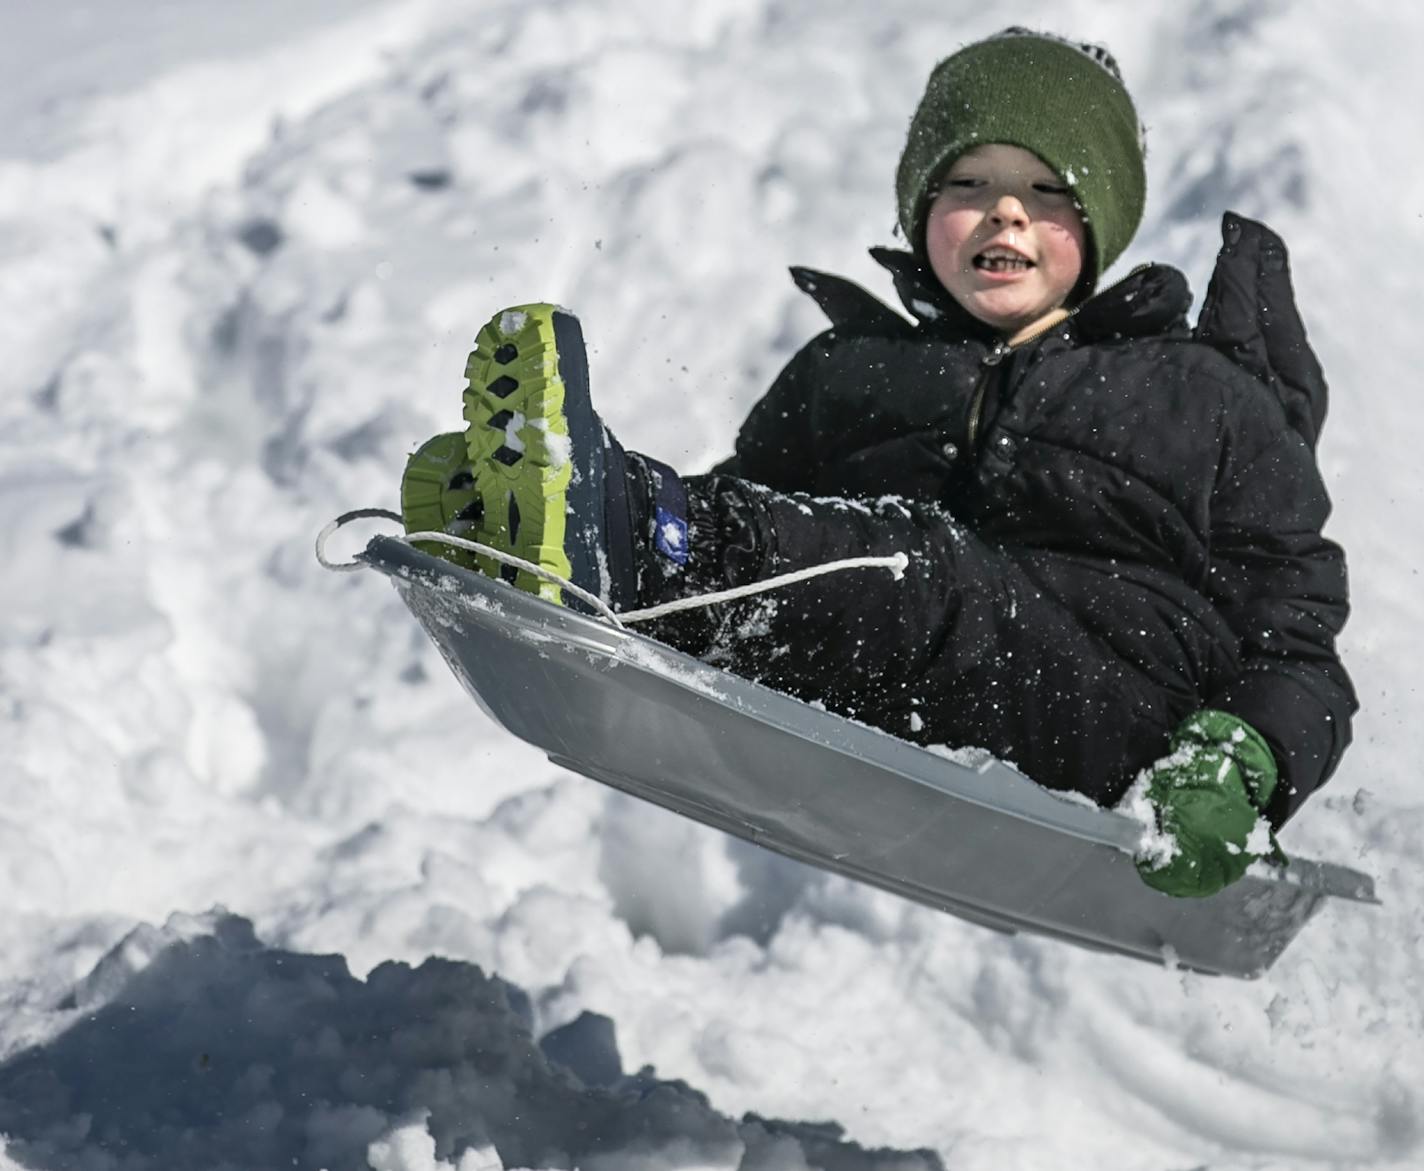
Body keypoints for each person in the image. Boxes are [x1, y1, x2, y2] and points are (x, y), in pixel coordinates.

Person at [399, 28, 1356, 898]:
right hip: (890, 675)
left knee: (917, 566)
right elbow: (758, 519)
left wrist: (1244, 755)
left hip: (1113, 713)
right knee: (780, 549)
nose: (1003, 216)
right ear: (918, 209)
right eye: (967, 186)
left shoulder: (1195, 392)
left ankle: (614, 536)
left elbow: (1296, 632)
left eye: (1047, 191)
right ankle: (549, 532)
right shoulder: (852, 372)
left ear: (1100, 218)